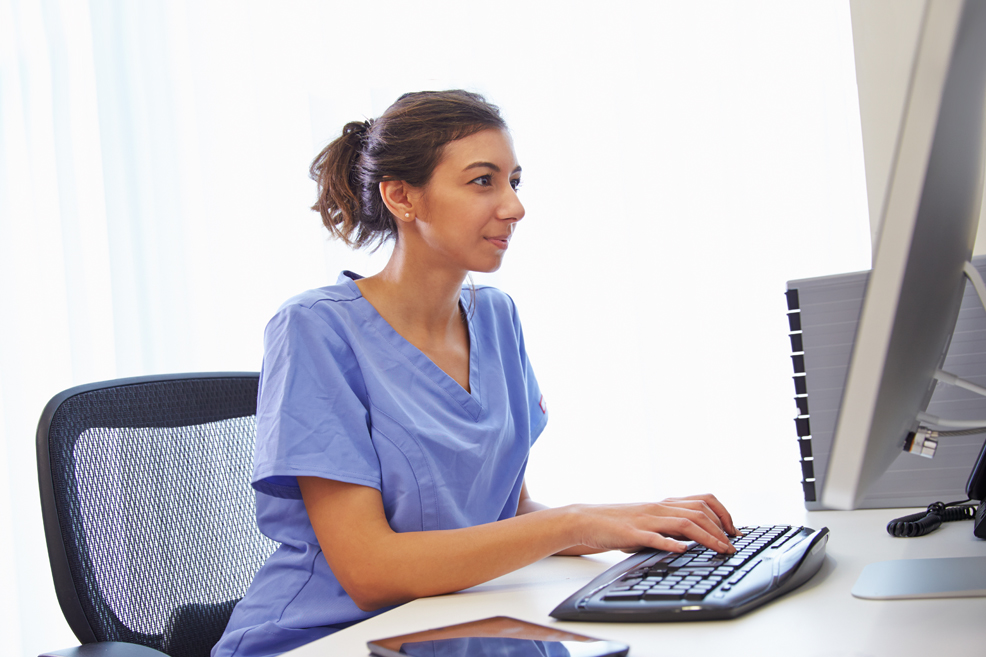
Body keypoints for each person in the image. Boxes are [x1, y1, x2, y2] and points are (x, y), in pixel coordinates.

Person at [211, 90, 739, 657]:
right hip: (328, 639)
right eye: (483, 181)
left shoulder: (496, 315)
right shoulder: (314, 329)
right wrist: (575, 523)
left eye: (515, 180)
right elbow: (369, 571)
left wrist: (625, 522)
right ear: (401, 197)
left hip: (462, 619)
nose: (513, 206)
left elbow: (507, 513)